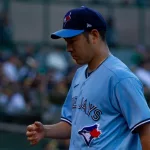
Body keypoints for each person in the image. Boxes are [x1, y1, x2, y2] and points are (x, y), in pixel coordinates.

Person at [26, 6, 150, 150]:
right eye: (67, 42)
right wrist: (46, 130)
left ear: (94, 36)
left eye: (73, 41)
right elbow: (72, 125)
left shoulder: (119, 77)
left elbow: (146, 128)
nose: (68, 48)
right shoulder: (79, 74)